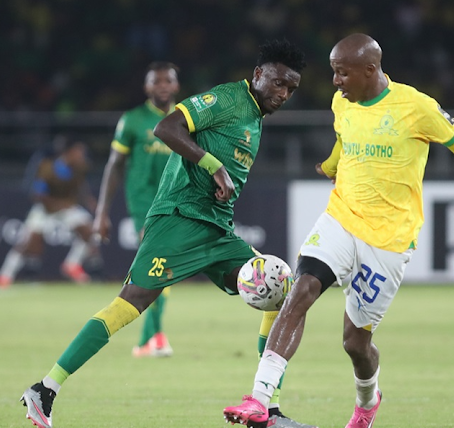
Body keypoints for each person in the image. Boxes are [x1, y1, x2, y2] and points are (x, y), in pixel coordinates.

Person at [224, 33, 454, 428]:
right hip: (341, 219)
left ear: (370, 70)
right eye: (333, 73)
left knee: (355, 344)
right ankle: (259, 398)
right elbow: (345, 138)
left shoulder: (418, 108)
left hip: (388, 242)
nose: (335, 82)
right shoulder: (343, 102)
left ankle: (367, 400)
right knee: (301, 289)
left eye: (342, 73)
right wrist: (331, 164)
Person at [20, 39, 317, 428]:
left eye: (291, 89)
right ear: (258, 74)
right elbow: (167, 127)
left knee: (280, 290)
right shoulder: (228, 99)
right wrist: (213, 165)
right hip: (178, 218)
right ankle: (45, 389)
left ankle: (268, 409)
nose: (283, 94)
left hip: (216, 228)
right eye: (278, 83)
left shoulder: (255, 116)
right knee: (131, 303)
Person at [93, 61, 181, 358]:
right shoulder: (132, 120)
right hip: (145, 201)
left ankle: (148, 338)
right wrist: (101, 212)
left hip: (178, 198)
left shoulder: (188, 117)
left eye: (167, 81)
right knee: (160, 258)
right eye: (156, 82)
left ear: (176, 85)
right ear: (147, 87)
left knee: (163, 266)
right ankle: (155, 336)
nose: (162, 86)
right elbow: (114, 165)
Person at [0, 137, 97, 287]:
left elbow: (80, 185)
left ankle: (72, 265)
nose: (82, 154)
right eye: (79, 151)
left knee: (90, 230)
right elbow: (38, 196)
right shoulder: (47, 168)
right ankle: (4, 277)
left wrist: (89, 200)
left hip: (66, 208)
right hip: (45, 209)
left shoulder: (79, 167)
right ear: (69, 152)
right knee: (28, 243)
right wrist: (60, 205)